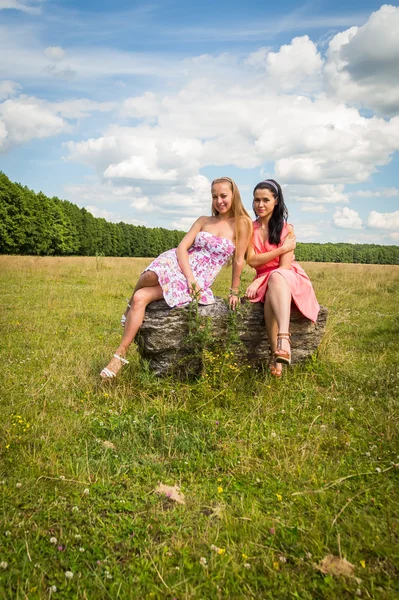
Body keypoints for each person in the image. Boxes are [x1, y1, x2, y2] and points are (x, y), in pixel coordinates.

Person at [100, 177, 252, 378]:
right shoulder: (203, 220)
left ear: (234, 195)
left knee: (141, 297)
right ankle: (126, 318)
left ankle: (119, 356)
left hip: (201, 276)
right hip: (181, 262)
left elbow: (240, 260)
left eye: (223, 196)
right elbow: (182, 247)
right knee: (150, 275)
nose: (219, 201)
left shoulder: (242, 223)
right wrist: (188, 277)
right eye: (214, 196)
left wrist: (234, 291)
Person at [245, 179, 320, 377]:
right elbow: (252, 260)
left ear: (276, 201)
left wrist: (259, 279)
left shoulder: (287, 229)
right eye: (256, 200)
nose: (260, 205)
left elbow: (284, 266)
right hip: (267, 281)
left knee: (277, 276)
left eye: (265, 200)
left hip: (288, 276)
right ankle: (277, 352)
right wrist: (281, 249)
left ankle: (283, 338)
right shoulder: (248, 229)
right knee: (270, 297)